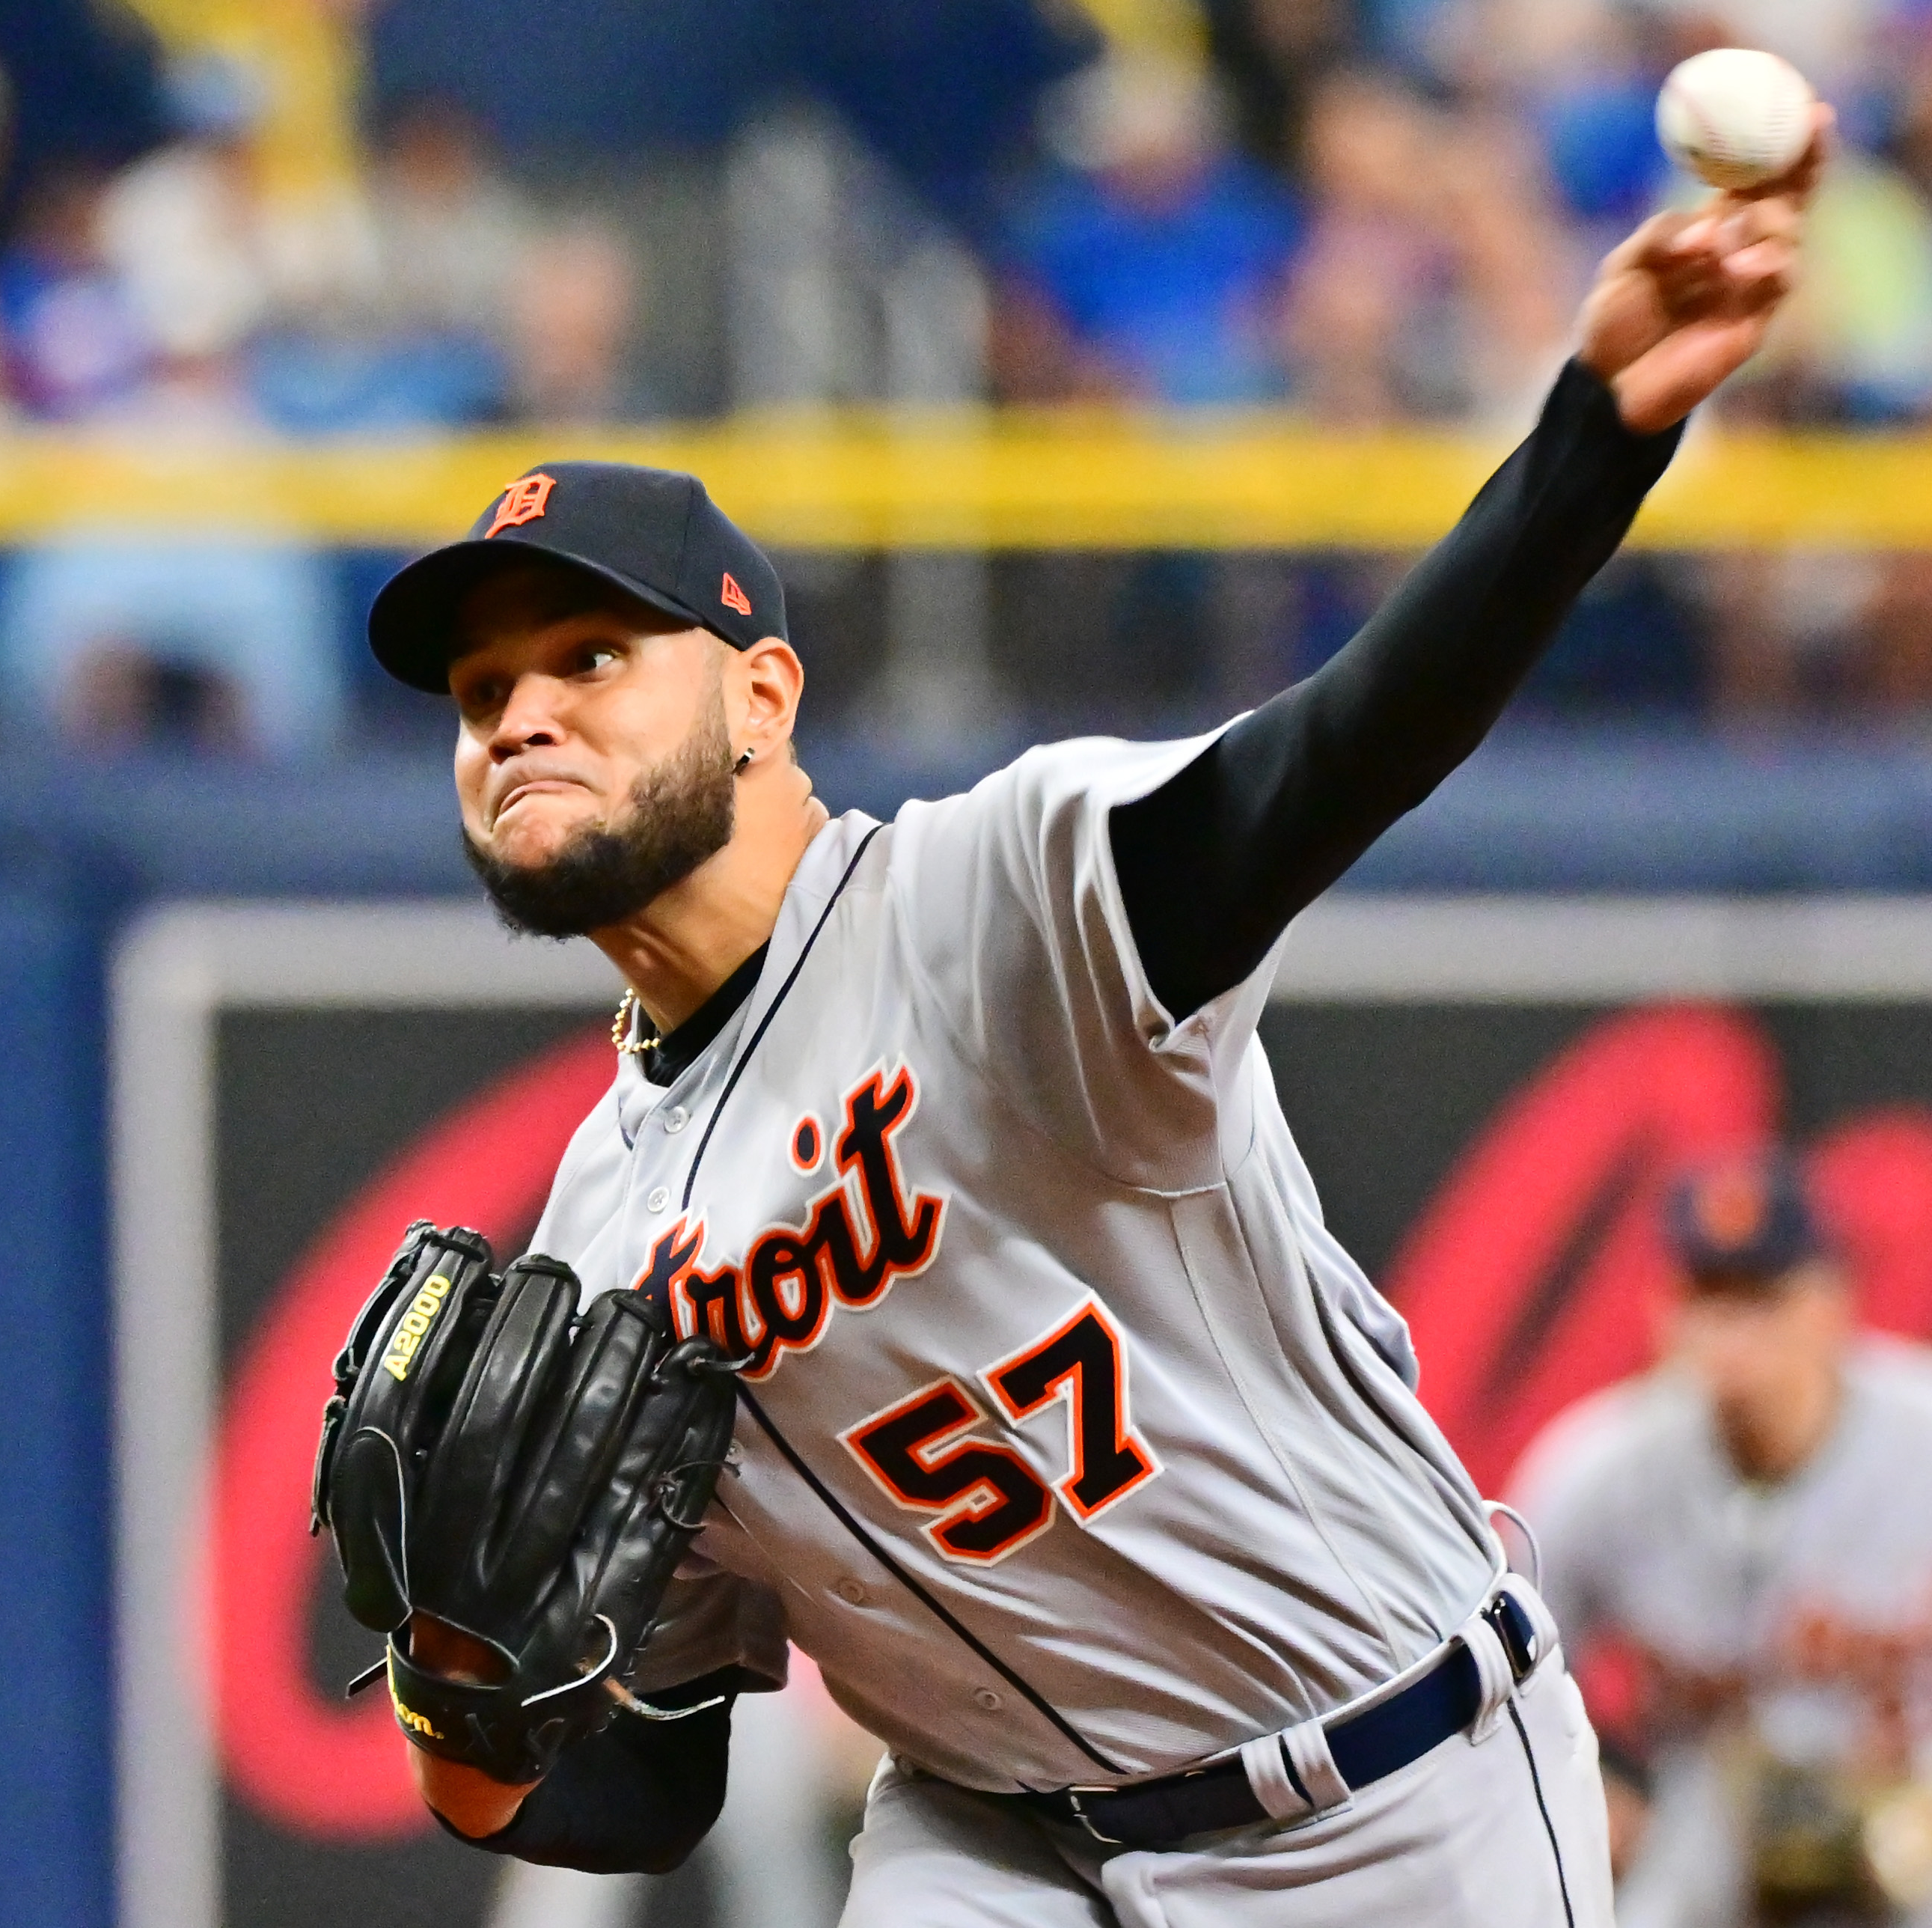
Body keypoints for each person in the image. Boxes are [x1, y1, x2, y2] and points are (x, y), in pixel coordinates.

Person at [351, 126, 1821, 1924]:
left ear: (761, 697)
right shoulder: (595, 1239)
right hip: (993, 1849)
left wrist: (1593, 442)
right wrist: (454, 1693)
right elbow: (650, 1783)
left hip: (1383, 1790)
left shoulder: (997, 903)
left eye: (589, 660)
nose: (518, 718)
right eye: (483, 691)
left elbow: (1342, 750)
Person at [1508, 1151, 1932, 1928]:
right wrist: (1573, 1799)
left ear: (1833, 1303)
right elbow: (1493, 1686)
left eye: (1764, 1299)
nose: (1733, 1334)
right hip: (1730, 1863)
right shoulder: (1602, 1472)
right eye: (1707, 1297)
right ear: (1663, 1309)